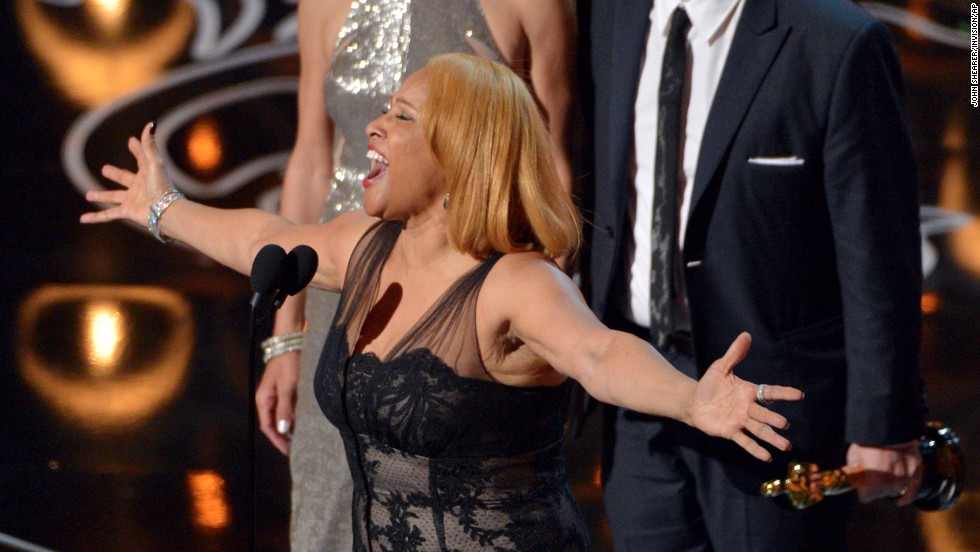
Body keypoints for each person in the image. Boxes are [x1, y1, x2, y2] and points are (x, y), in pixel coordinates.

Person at [82, 53, 801, 551]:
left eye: (402, 115)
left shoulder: (515, 282)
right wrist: (161, 208)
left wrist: (688, 400)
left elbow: (598, 352)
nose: (374, 125)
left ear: (461, 151)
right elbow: (267, 237)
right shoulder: (366, 247)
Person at [586, 0, 927, 550]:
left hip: (774, 406)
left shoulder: (837, 39)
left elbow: (878, 250)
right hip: (637, 388)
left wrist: (883, 422)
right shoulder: (613, 14)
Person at [257, 1, 577, 549]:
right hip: (343, 288)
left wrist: (537, 312)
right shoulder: (322, 7)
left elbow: (549, 167)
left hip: (463, 303)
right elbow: (312, 163)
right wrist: (286, 338)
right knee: (329, 506)